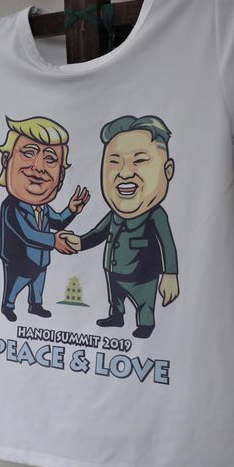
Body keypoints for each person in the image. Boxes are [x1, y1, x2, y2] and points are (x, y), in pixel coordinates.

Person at [63, 115, 179, 339]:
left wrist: (170, 274)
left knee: (145, 302)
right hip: (114, 269)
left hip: (143, 274)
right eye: (114, 162)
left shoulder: (156, 215)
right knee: (115, 298)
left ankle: (146, 324)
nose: (125, 173)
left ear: (168, 171)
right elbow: (98, 233)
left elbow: (168, 244)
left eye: (139, 160)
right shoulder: (114, 213)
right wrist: (79, 242)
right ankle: (116, 315)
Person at [0, 116, 89, 322]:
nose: (38, 167)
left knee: (38, 285)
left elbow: (57, 221)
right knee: (14, 285)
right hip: (17, 260)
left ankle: (35, 305)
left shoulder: (43, 207)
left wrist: (72, 210)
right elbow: (27, 234)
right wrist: (55, 241)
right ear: (6, 161)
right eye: (28, 153)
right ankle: (8, 306)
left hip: (41, 259)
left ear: (61, 176)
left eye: (51, 159)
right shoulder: (11, 207)